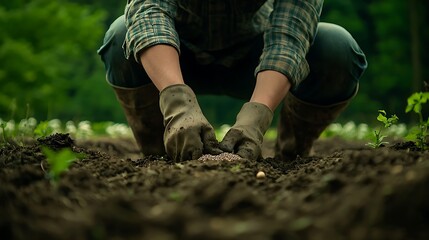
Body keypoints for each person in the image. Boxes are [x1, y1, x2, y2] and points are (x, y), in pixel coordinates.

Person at [97, 0, 367, 162]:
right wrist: (177, 103)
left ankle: (292, 154)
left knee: (336, 46)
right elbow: (147, 12)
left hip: (255, 57)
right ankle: (162, 152)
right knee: (120, 34)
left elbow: (289, 37)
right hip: (176, 54)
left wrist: (257, 116)